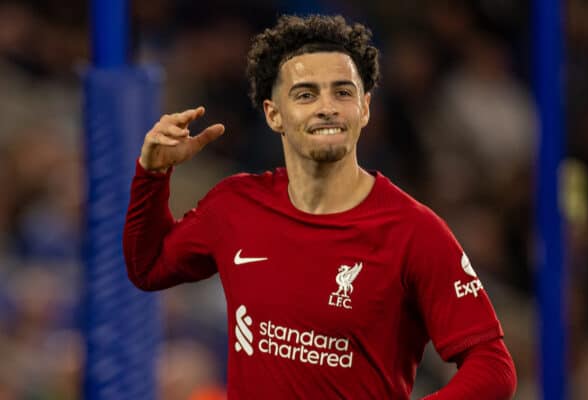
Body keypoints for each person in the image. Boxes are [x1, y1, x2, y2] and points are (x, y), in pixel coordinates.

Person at [123, 14, 517, 399]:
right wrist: (152, 175)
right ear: (274, 114)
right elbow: (149, 266)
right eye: (306, 94)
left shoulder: (415, 230)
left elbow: (493, 367)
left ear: (364, 108)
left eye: (342, 92)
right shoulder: (235, 204)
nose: (327, 107)